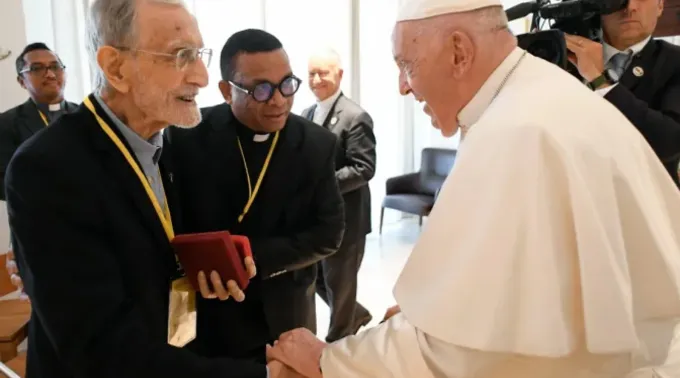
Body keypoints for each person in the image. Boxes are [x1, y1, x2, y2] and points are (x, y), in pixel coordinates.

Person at [265, 0, 680, 377]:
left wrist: (330, 361)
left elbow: (464, 354)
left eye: (406, 64)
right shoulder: (534, 95)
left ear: (459, 52)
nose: (403, 87)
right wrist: (427, 312)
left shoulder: (516, 132)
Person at [5, 1, 299, 377]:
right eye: (181, 56)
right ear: (116, 67)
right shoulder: (48, 168)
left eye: (199, 54)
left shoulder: (174, 142)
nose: (202, 77)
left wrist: (210, 263)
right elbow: (101, 350)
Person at [165, 29, 344, 364]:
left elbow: (328, 233)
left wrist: (250, 260)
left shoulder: (317, 144)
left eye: (286, 84)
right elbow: (170, 224)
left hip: (284, 309)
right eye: (261, 89)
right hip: (208, 309)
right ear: (225, 91)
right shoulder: (186, 137)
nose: (278, 99)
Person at [301, 47, 376, 342]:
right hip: (317, 219)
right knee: (318, 279)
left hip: (348, 219)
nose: (317, 79)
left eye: (323, 73)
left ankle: (338, 349)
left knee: (340, 284)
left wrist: (322, 186)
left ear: (340, 75)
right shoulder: (307, 113)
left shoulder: (356, 116)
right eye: (311, 73)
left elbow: (363, 168)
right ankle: (355, 314)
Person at [565, 0, 680, 186]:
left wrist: (600, 81)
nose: (630, 7)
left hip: (645, 202)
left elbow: (668, 142)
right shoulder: (565, 56)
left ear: (660, 5)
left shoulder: (674, 62)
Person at [1, 43, 79, 297]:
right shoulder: (6, 124)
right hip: (34, 231)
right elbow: (4, 181)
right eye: (37, 68)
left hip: (84, 228)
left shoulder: (86, 117)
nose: (49, 73)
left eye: (55, 66)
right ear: (22, 81)